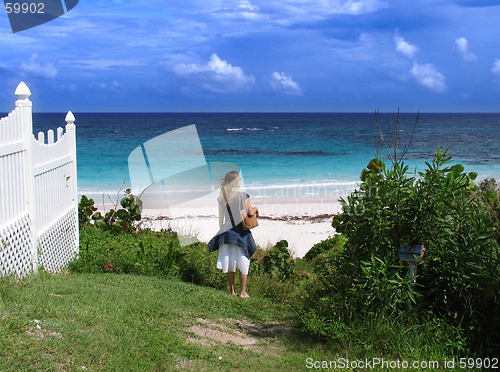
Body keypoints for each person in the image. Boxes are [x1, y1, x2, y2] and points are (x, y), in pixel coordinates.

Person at [208, 171, 258, 298]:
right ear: (236, 182)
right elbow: (251, 213)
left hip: (226, 232)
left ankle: (232, 291)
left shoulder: (222, 197)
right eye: (239, 179)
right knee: (243, 261)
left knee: (229, 262)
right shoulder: (242, 195)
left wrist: (221, 231)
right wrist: (256, 208)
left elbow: (221, 218)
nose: (240, 181)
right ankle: (242, 292)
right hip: (239, 232)